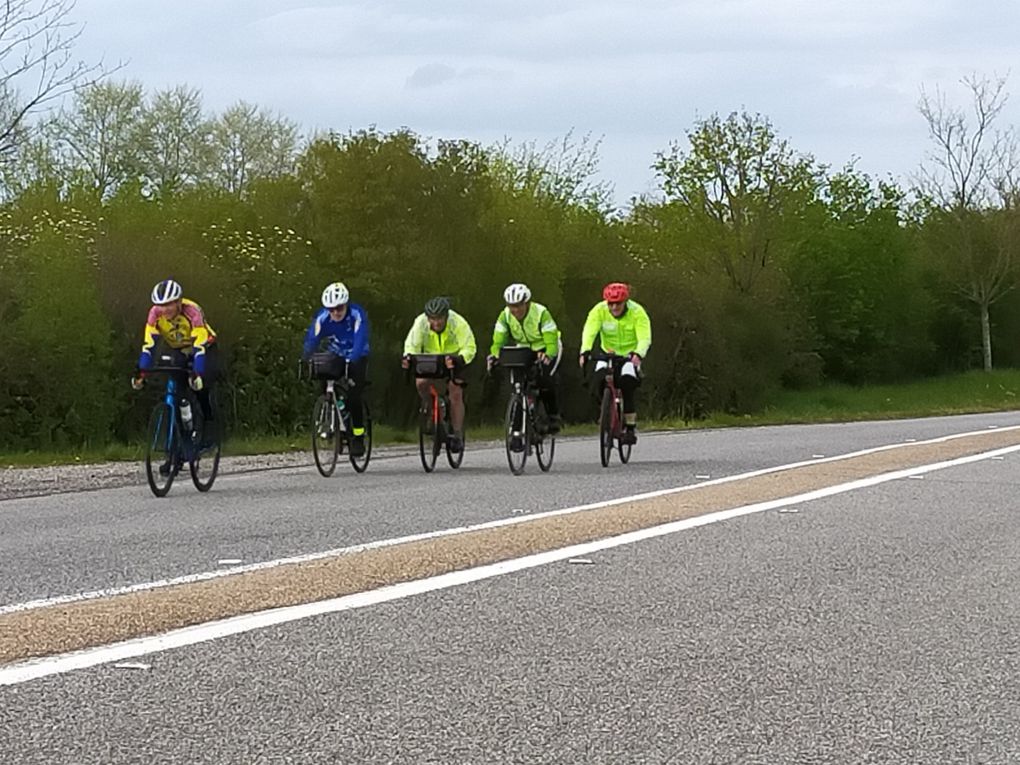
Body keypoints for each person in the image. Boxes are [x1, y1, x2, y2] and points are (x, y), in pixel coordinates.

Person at [131, 278, 219, 465]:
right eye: (162, 305)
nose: (166, 309)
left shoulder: (192, 311)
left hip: (204, 347)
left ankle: (209, 428)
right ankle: (178, 451)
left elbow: (200, 344)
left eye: (170, 304)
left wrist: (197, 372)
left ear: (179, 302)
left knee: (200, 387)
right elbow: (149, 345)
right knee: (178, 394)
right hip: (179, 349)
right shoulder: (155, 314)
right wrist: (142, 372)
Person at [302, 281, 371, 457]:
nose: (335, 313)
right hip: (336, 355)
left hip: (357, 354)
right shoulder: (323, 317)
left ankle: (358, 436)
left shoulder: (357, 314)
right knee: (323, 380)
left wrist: (353, 359)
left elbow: (360, 338)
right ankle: (333, 409)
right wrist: (306, 358)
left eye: (339, 308)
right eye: (331, 309)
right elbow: (312, 339)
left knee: (354, 396)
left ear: (345, 304)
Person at [578, 282, 652, 444]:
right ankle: (606, 411)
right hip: (607, 353)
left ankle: (630, 427)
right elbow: (589, 331)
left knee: (627, 383)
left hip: (629, 355)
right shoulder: (599, 310)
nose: (614, 308)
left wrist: (639, 354)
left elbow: (644, 336)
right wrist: (585, 350)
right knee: (597, 380)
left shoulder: (637, 312)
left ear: (625, 302)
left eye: (618, 304)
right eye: (610, 304)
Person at [486, 282, 563, 436]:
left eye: (519, 306)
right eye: (511, 306)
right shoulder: (505, 316)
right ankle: (516, 429)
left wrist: (548, 354)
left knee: (545, 378)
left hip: (546, 346)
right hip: (523, 349)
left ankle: (553, 416)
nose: (515, 310)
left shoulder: (541, 313)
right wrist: (495, 355)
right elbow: (498, 342)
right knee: (518, 386)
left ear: (527, 303)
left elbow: (551, 339)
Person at [402, 296, 476, 453]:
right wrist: (408, 357)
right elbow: (412, 344)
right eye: (432, 319)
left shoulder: (458, 322)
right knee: (421, 383)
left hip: (453, 359)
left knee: (455, 391)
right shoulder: (420, 322)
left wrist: (459, 359)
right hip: (430, 360)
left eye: (440, 319)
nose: (436, 323)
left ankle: (456, 434)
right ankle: (430, 410)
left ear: (446, 316)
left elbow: (469, 346)